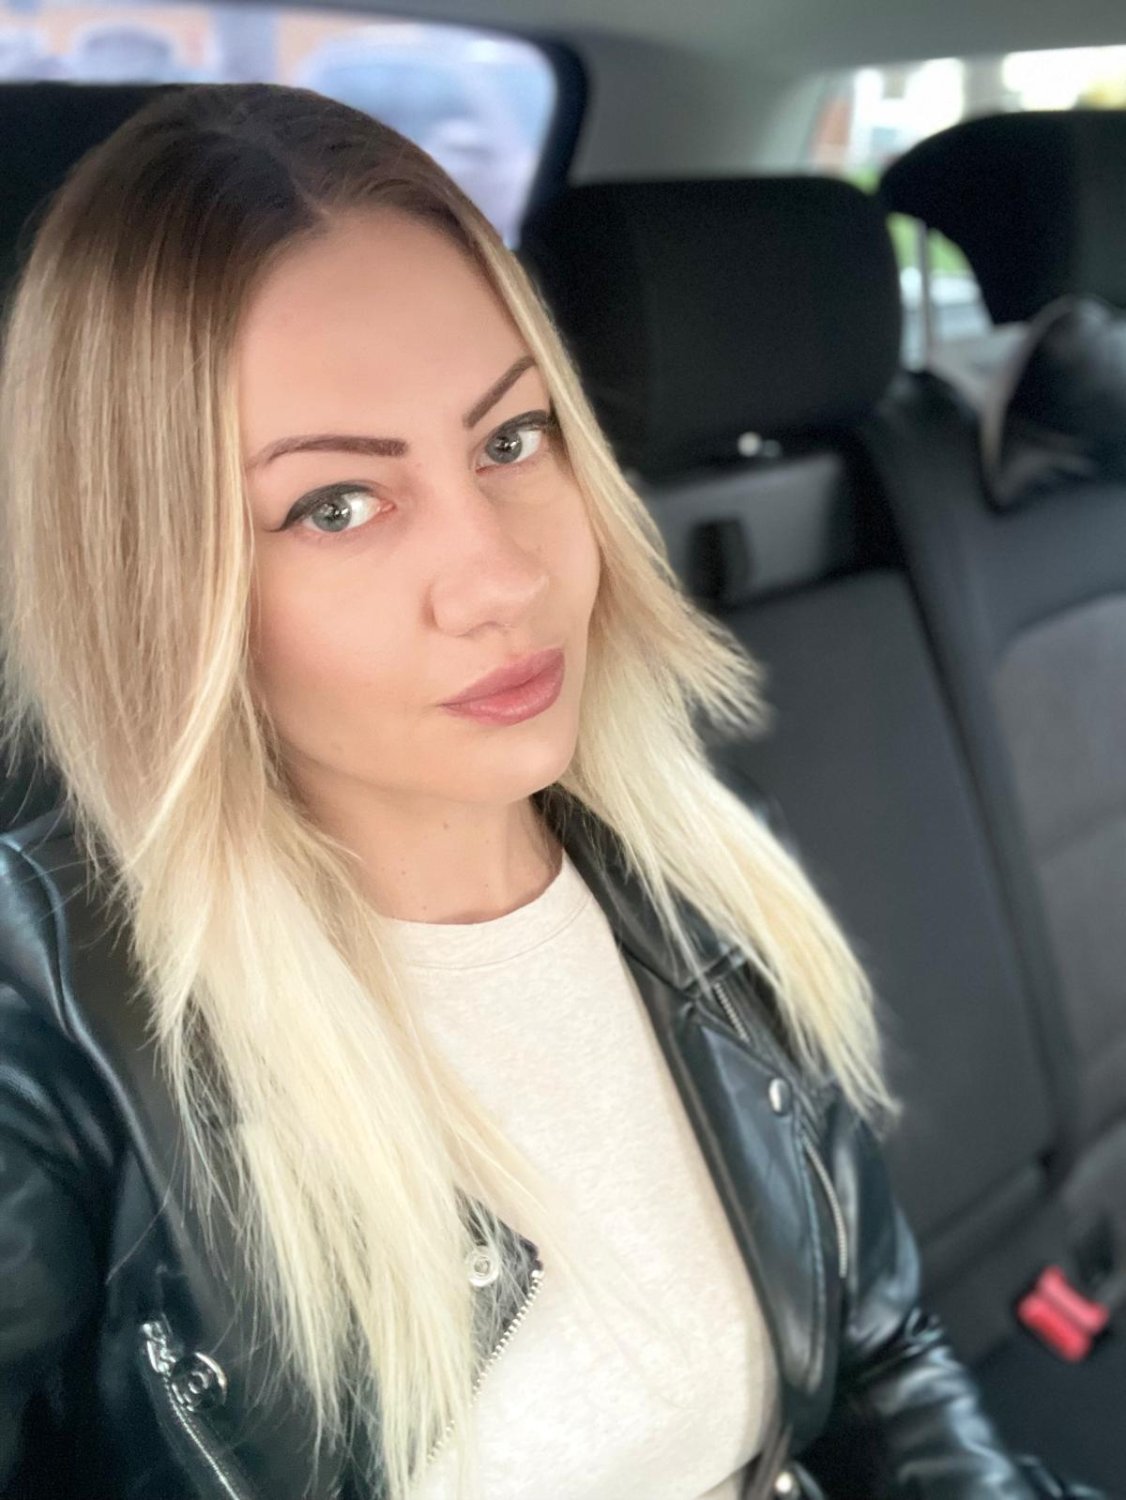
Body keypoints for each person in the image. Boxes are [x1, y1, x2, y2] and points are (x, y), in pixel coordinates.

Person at [0, 83, 1104, 1500]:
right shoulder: (52, 1030)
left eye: (510, 440)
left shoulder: (689, 857)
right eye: (337, 505)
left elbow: (876, 1352)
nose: (504, 577)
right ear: (153, 583)